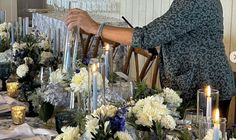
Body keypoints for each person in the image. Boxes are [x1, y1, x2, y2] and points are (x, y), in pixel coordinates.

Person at [65, 0, 235, 118]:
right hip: (195, 84)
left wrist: (95, 27)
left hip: (206, 86)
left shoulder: (195, 2)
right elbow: (183, 35)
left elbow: (147, 35)